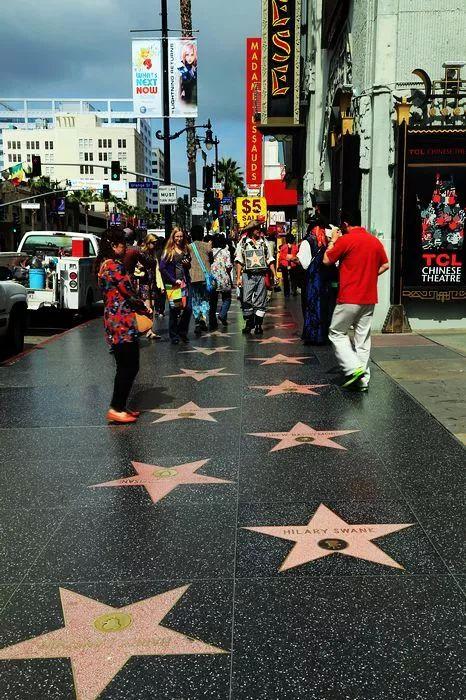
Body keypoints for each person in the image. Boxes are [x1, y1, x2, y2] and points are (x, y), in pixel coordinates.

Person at [323, 211, 390, 390]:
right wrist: (367, 276)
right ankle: (362, 380)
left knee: (336, 332)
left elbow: (326, 260)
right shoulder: (374, 241)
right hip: (369, 297)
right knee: (363, 339)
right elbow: (385, 264)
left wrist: (333, 240)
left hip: (349, 296)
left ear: (345, 224)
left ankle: (353, 368)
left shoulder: (346, 240)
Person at [97, 227, 152, 424]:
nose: (126, 247)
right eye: (123, 244)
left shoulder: (105, 265)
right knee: (128, 366)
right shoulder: (114, 266)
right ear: (113, 245)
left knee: (126, 365)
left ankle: (120, 405)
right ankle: (116, 407)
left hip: (115, 320)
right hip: (122, 321)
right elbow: (128, 292)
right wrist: (144, 308)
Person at [298, 218, 338, 345]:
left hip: (312, 283)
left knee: (311, 307)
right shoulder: (330, 244)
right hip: (327, 282)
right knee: (327, 307)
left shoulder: (307, 242)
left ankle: (313, 335)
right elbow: (335, 263)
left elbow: (304, 264)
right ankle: (324, 334)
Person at [235, 219, 276, 335]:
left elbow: (270, 259)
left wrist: (275, 275)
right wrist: (238, 278)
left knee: (260, 300)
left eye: (260, 228)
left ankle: (258, 325)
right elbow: (239, 260)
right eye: (257, 228)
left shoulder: (264, 242)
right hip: (247, 275)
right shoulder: (243, 242)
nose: (259, 230)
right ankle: (249, 322)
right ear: (251, 230)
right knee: (246, 299)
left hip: (261, 275)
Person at [159, 228, 192, 345]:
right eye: (177, 236)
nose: (179, 239)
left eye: (181, 236)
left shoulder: (186, 248)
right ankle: (174, 335)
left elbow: (188, 264)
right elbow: (162, 268)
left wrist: (187, 264)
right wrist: (173, 280)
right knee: (174, 309)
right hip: (174, 285)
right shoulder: (169, 251)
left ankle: (182, 331)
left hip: (185, 282)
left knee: (188, 308)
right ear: (173, 237)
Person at [137, 234, 166, 340]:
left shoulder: (153, 253)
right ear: (148, 242)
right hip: (144, 282)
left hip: (152, 282)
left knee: (152, 306)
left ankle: (149, 329)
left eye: (156, 243)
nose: (155, 244)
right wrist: (140, 269)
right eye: (153, 243)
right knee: (147, 307)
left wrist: (160, 285)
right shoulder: (141, 253)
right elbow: (137, 266)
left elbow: (157, 269)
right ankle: (146, 329)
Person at [188, 224, 212, 336]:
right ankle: (204, 319)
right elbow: (211, 259)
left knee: (195, 300)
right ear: (202, 234)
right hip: (205, 277)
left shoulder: (189, 247)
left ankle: (197, 322)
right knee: (205, 299)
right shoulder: (207, 246)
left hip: (193, 277)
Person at [209, 233, 233, 329]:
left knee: (213, 301)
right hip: (224, 278)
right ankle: (223, 315)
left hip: (212, 279)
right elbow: (228, 266)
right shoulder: (226, 252)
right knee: (227, 298)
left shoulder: (210, 251)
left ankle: (212, 322)